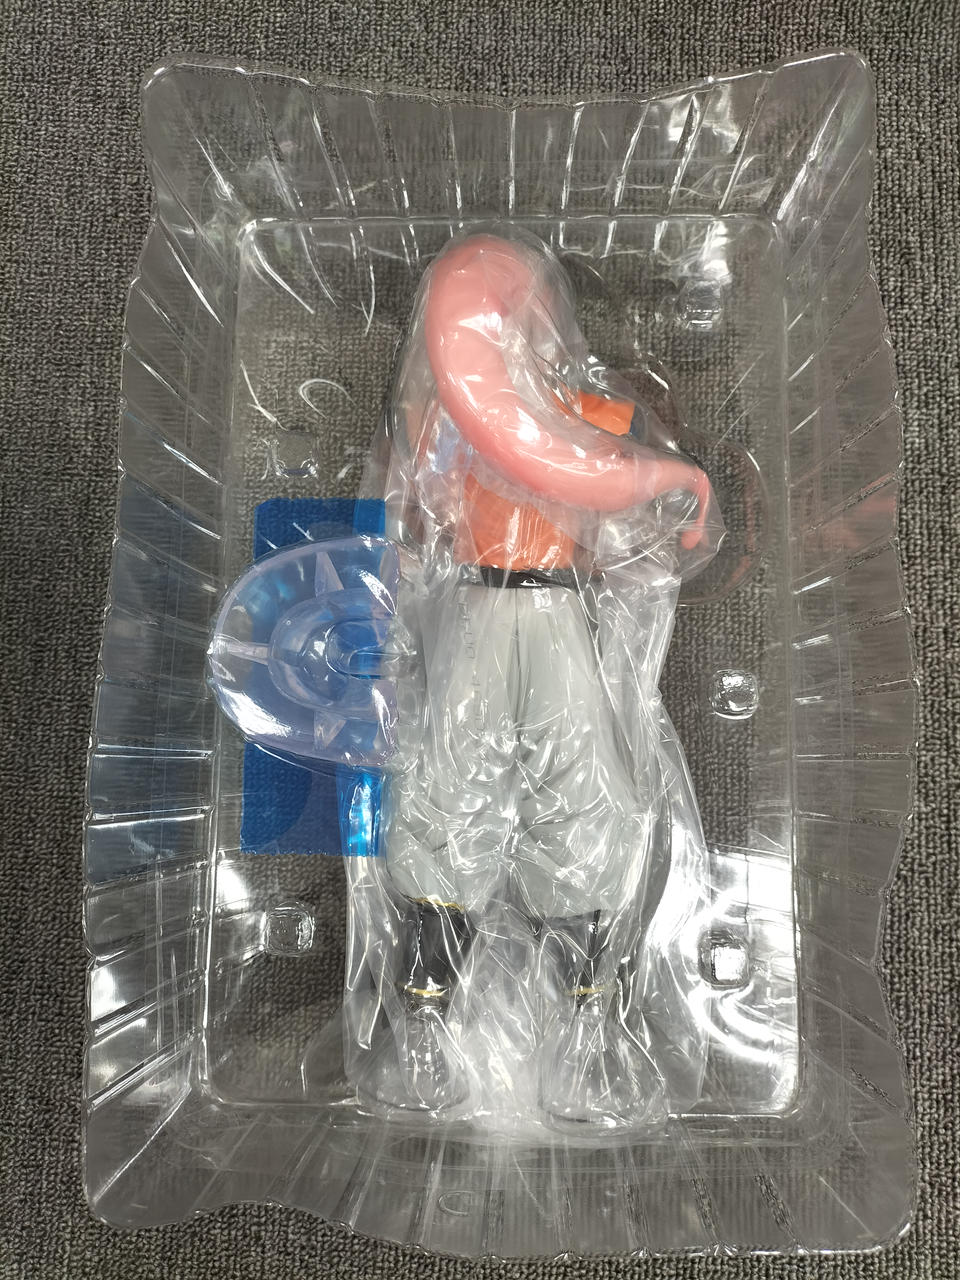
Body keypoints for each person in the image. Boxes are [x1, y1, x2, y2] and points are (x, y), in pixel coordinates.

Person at [359, 231, 722, 1126]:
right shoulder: (446, 421)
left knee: (582, 775)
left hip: (554, 607)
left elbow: (621, 519)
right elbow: (411, 521)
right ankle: (428, 1012)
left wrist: (669, 502)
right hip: (479, 606)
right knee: (450, 780)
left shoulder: (596, 419)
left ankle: (591, 1018)